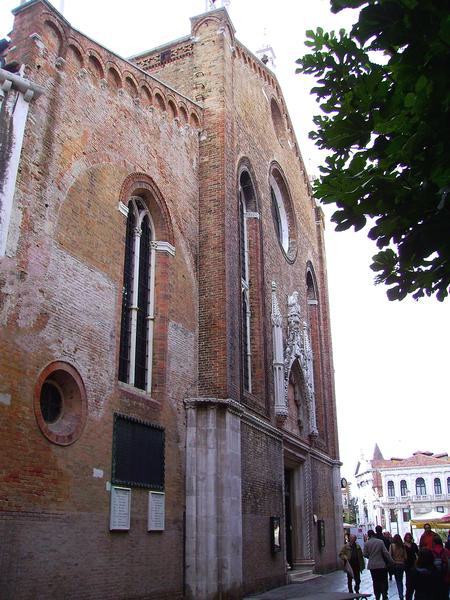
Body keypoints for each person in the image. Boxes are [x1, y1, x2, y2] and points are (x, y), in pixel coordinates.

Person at [363, 529, 395, 600]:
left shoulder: (367, 543)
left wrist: (370, 556)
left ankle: (377, 595)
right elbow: (386, 553)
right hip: (381, 564)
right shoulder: (380, 542)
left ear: (368, 535)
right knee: (383, 580)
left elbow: (364, 554)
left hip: (372, 565)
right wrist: (391, 561)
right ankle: (384, 594)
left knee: (375, 581)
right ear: (374, 534)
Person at [389, 533, 407, 599]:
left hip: (395, 564)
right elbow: (405, 557)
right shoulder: (402, 546)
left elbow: (389, 556)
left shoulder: (392, 546)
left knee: (398, 581)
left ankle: (400, 594)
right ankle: (401, 594)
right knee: (401, 580)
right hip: (402, 564)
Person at [431, 535, 449, 599]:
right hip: (445, 577)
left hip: (433, 577)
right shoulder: (446, 551)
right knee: (445, 595)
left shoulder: (430, 551)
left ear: (434, 543)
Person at [404, 532, 419, 600]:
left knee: (414, 579)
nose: (408, 538)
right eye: (407, 537)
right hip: (407, 564)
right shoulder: (403, 545)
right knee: (409, 580)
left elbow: (417, 553)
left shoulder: (414, 545)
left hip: (414, 563)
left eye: (409, 537)